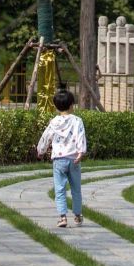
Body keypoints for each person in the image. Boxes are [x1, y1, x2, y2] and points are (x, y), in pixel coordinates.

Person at [36, 87, 87, 228]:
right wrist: (80, 153)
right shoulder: (77, 121)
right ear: (71, 105)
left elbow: (46, 137)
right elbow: (80, 136)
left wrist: (40, 150)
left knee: (59, 189)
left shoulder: (54, 122)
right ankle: (77, 215)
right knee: (76, 189)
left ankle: (62, 217)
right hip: (74, 159)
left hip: (59, 160)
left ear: (56, 106)